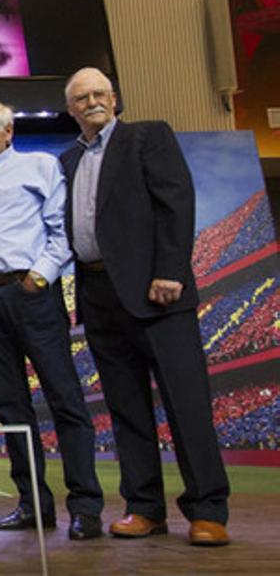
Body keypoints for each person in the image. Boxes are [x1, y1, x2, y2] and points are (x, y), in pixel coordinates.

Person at [60, 68, 230, 546]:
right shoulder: (69, 160)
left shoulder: (147, 136)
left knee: (187, 403)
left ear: (115, 99)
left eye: (99, 93)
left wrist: (171, 270)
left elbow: (176, 201)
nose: (92, 101)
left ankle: (208, 509)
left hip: (158, 292)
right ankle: (144, 506)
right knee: (126, 408)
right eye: (81, 97)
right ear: (70, 108)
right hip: (98, 295)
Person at [0, 99, 104, 540]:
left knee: (64, 398)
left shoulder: (39, 167)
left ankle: (85, 506)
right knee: (10, 405)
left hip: (30, 291)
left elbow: (61, 230)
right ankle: (32, 504)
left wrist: (40, 277)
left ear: (7, 132)